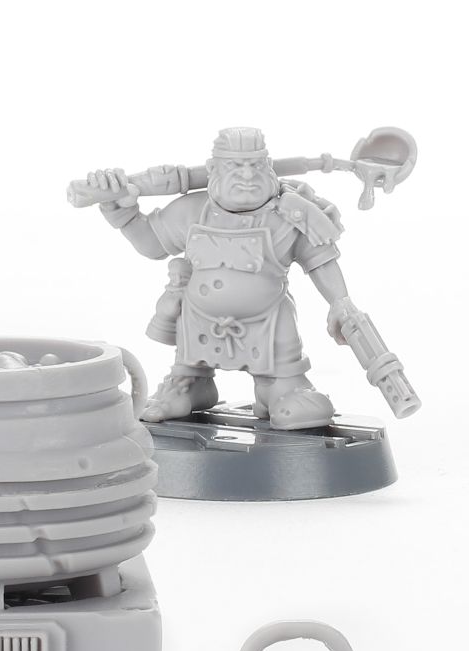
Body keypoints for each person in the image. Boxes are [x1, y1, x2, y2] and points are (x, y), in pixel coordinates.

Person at [88, 127, 365, 427]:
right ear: (213, 169)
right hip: (199, 320)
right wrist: (123, 214)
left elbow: (320, 260)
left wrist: (340, 301)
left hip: (268, 322)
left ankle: (279, 390)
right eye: (235, 166)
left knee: (288, 394)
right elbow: (152, 245)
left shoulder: (291, 215)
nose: (247, 175)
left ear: (269, 168)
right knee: (189, 363)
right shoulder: (192, 210)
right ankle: (191, 385)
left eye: (255, 166)